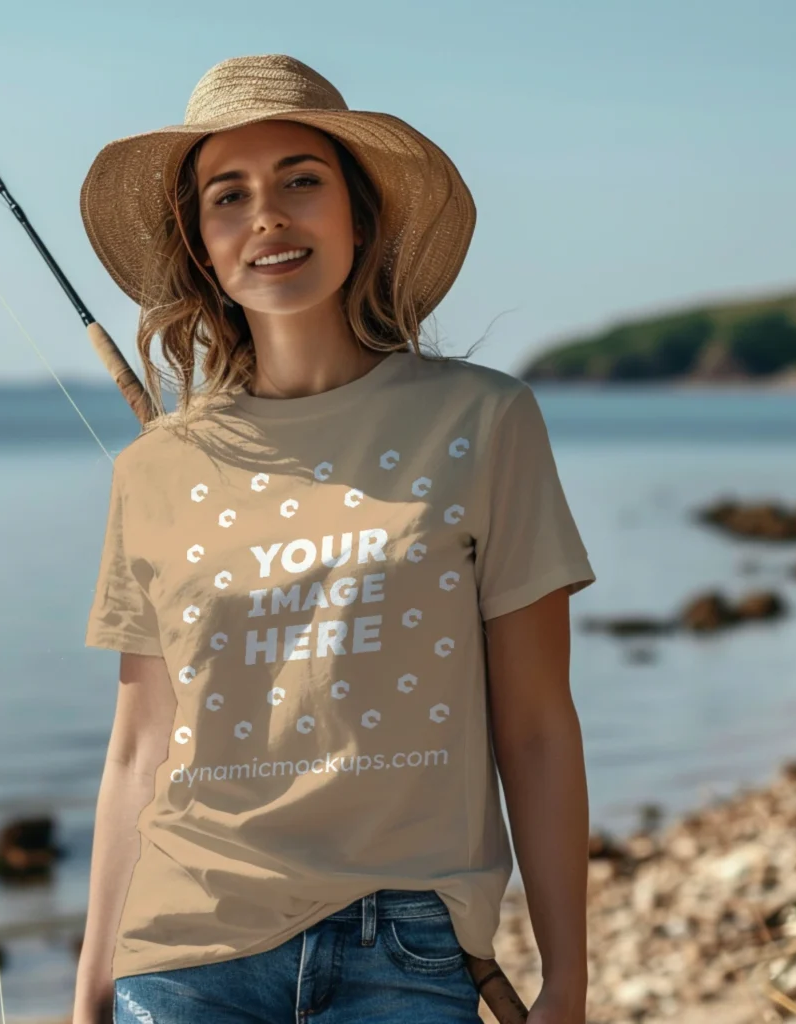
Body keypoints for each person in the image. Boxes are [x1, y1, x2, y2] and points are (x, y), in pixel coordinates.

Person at [72, 54, 596, 1024]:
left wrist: (565, 976)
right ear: (201, 244)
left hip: (405, 942)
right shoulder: (153, 469)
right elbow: (138, 750)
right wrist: (89, 991)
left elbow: (534, 723)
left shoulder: (481, 423)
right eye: (229, 196)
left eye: (299, 181)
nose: (266, 216)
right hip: (185, 944)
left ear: (359, 212)